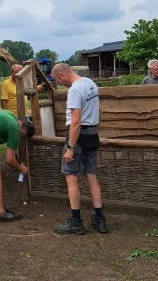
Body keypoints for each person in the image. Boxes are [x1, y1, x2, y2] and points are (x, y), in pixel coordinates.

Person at [50, 63, 108, 235]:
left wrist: (70, 147)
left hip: (78, 137)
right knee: (91, 176)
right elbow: (98, 110)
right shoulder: (91, 83)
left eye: (57, 80)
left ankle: (76, 222)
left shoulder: (74, 90)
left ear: (61, 74)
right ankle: (100, 219)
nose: (60, 84)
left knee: (71, 177)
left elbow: (75, 121)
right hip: (92, 134)